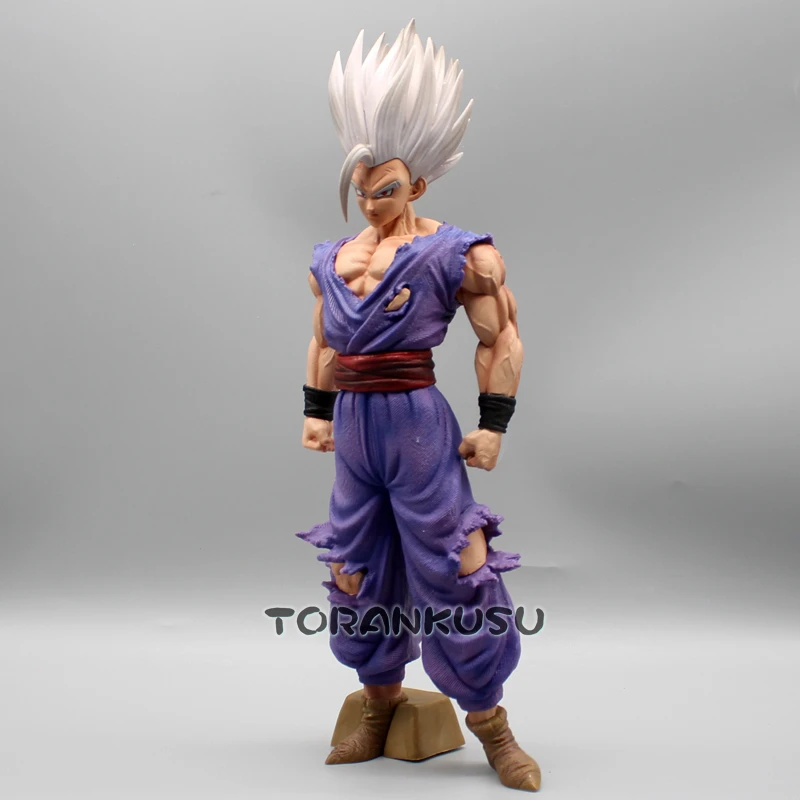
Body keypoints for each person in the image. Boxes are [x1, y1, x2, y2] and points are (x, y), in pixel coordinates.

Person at [296, 20, 540, 792]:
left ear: (419, 186)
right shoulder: (332, 258)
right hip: (357, 427)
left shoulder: (460, 253)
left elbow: (502, 338)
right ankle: (379, 705)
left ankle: (492, 726)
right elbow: (323, 340)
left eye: (388, 188)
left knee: (458, 565)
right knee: (353, 567)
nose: (371, 202)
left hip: (417, 424)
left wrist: (493, 425)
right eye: (362, 187)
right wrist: (316, 410)